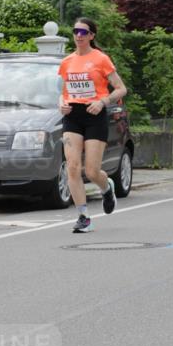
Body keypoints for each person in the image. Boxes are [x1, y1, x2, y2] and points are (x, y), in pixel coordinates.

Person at [58, 17, 127, 233]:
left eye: (83, 32)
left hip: (94, 113)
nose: (78, 35)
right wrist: (61, 104)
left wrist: (102, 102)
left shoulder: (101, 59)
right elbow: (63, 92)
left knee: (92, 170)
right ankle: (83, 216)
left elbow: (120, 88)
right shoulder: (67, 61)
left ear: (91, 35)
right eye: (75, 31)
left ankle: (107, 188)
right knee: (72, 166)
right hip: (73, 115)